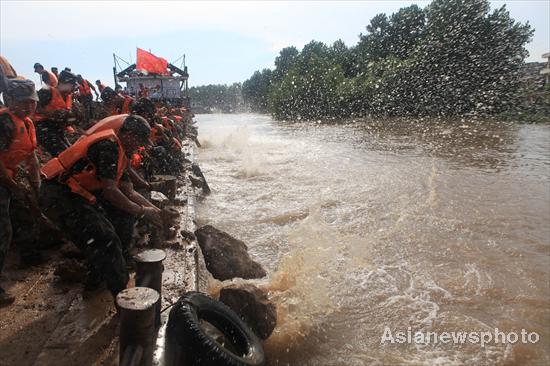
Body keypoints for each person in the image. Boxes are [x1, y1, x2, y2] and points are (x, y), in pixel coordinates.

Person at [40, 115, 162, 299]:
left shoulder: (121, 152)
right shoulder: (108, 146)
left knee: (122, 218)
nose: (139, 146)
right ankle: (125, 301)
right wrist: (143, 211)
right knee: (105, 239)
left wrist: (157, 212)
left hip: (79, 193)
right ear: (128, 134)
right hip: (59, 194)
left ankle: (101, 275)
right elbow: (110, 191)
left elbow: (129, 192)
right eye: (138, 141)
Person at [0, 79, 42, 307]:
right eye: (23, 102)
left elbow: (31, 156)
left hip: (9, 175)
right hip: (2, 177)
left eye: (31, 102)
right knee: (2, 230)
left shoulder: (26, 123)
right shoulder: (4, 122)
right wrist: (12, 186)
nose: (28, 107)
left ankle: (29, 254)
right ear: (10, 101)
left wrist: (36, 184)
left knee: (25, 213)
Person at [34, 70, 78, 156]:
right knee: (63, 154)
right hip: (43, 127)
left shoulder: (67, 97)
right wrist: (52, 114)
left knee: (70, 152)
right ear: (63, 83)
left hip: (57, 127)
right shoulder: (47, 91)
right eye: (72, 86)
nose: (73, 89)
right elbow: (34, 108)